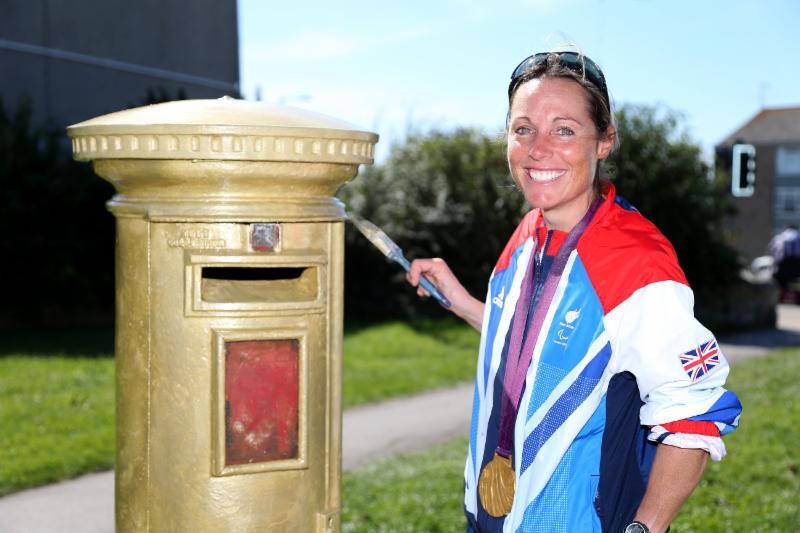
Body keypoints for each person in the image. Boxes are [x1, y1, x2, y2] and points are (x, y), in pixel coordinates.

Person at [406, 50, 741, 533]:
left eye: (564, 129)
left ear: (604, 141)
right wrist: (459, 300)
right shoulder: (526, 234)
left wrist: (646, 528)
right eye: (523, 129)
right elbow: (543, 344)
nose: (538, 148)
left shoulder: (636, 261)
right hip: (488, 518)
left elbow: (695, 413)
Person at [768, 224, 800, 302]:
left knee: (779, 280)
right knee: (796, 281)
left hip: (782, 263)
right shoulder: (798, 237)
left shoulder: (779, 237)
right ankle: (797, 296)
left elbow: (772, 250)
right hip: (797, 263)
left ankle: (781, 296)